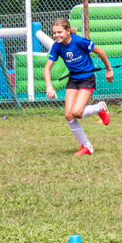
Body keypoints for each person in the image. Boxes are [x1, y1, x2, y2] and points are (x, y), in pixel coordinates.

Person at [43, 17, 113, 156]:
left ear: (68, 31)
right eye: (54, 33)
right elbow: (47, 68)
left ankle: (100, 107)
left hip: (87, 79)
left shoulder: (79, 41)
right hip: (73, 80)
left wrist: (109, 70)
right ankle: (87, 146)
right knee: (68, 115)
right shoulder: (57, 46)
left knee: (77, 113)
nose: (56, 35)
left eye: (59, 32)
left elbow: (101, 52)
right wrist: (49, 86)